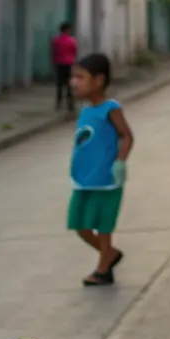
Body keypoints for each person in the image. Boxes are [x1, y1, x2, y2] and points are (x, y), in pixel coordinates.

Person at [67, 53, 135, 287]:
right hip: (84, 179)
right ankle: (110, 254)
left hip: (106, 177)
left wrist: (120, 161)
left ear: (98, 80)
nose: (74, 82)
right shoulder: (86, 110)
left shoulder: (110, 108)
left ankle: (103, 269)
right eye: (73, 77)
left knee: (103, 226)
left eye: (80, 77)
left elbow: (126, 135)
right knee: (79, 224)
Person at [51, 22, 79, 113]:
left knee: (59, 84)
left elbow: (54, 52)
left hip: (59, 63)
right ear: (67, 30)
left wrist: (53, 63)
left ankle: (58, 103)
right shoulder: (72, 41)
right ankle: (70, 105)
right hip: (69, 64)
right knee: (69, 85)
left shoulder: (56, 40)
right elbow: (74, 53)